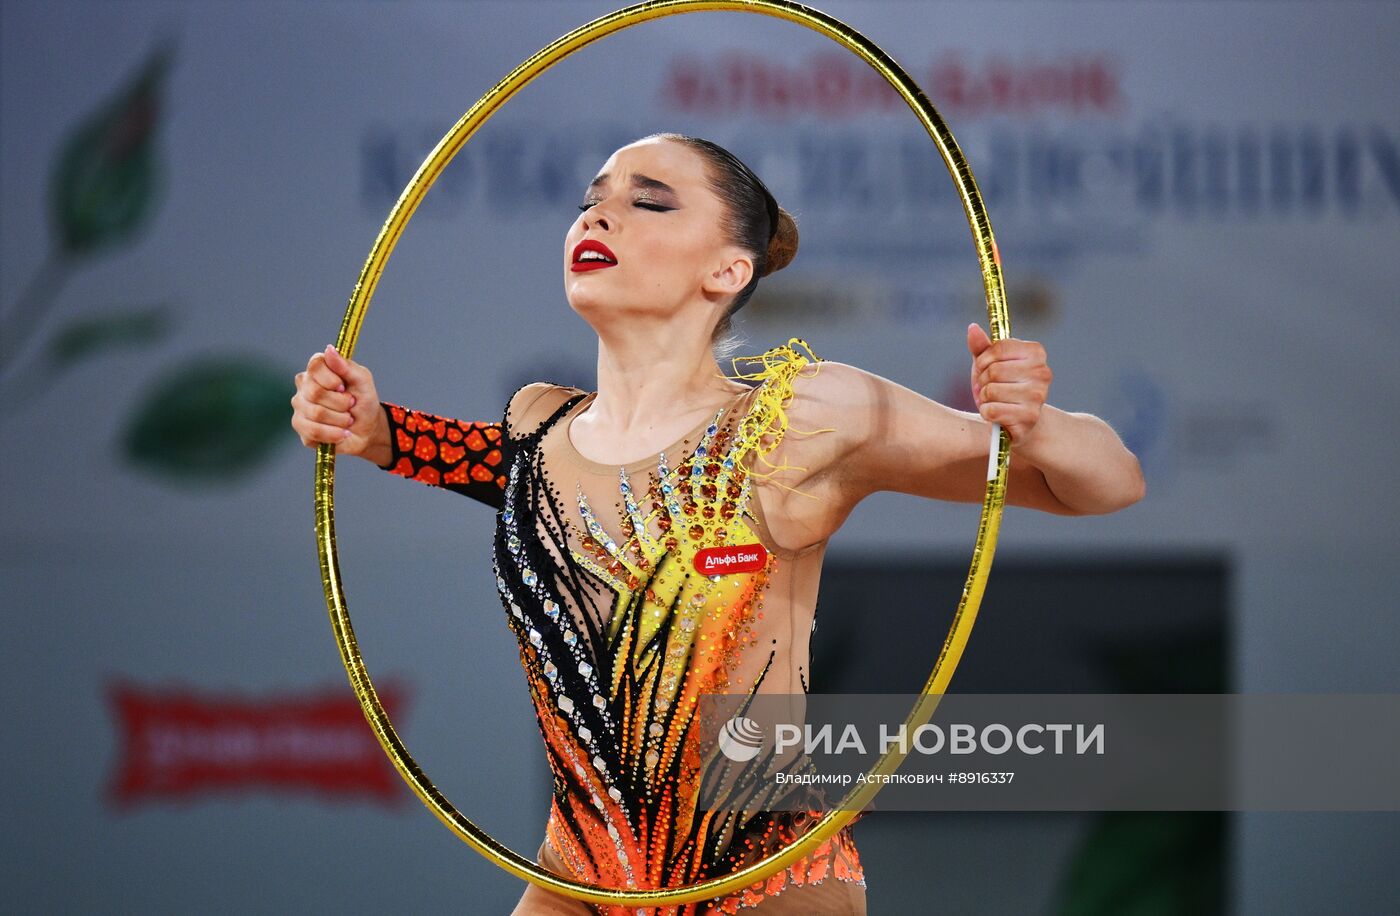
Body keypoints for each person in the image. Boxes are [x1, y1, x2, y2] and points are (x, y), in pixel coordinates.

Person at [290, 132, 1145, 915]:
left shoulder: (801, 421)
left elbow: (1106, 485)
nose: (599, 213)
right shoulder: (537, 427)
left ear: (728, 272)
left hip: (762, 880)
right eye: (592, 198)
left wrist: (1039, 424)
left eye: (649, 201)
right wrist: (375, 431)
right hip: (579, 878)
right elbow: (494, 469)